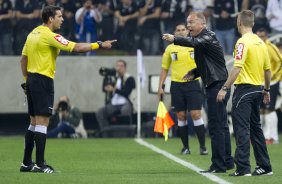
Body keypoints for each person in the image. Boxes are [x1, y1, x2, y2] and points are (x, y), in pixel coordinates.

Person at [19, 5, 116, 173]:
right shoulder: (49, 36)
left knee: (33, 122)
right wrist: (99, 44)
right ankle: (40, 164)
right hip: (43, 80)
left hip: (32, 80)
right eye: (59, 16)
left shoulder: (32, 33)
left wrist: (26, 80)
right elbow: (77, 48)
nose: (62, 19)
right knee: (43, 122)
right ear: (50, 19)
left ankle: (26, 163)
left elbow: (23, 60)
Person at [162, 12, 234, 173]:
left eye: (191, 22)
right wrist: (195, 72)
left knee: (216, 127)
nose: (188, 26)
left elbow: (193, 42)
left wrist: (175, 39)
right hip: (216, 83)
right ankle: (227, 162)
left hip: (216, 86)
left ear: (202, 24)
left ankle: (218, 165)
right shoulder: (205, 39)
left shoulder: (206, 37)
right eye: (187, 23)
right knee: (221, 126)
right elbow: (210, 63)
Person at [217, 10, 273, 176]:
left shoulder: (242, 42)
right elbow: (268, 71)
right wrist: (266, 90)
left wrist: (224, 88)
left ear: (239, 23)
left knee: (241, 129)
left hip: (244, 91)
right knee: (256, 130)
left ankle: (243, 168)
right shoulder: (261, 43)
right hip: (258, 89)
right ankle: (265, 166)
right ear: (253, 23)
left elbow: (237, 68)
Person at [158, 23, 208, 155]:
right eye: (178, 30)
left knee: (196, 114)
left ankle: (203, 146)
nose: (180, 32)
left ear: (188, 31)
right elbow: (164, 69)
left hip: (193, 84)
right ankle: (185, 147)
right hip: (176, 85)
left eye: (183, 30)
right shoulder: (170, 49)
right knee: (181, 116)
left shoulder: (195, 44)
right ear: (175, 32)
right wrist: (160, 87)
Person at [256, 28, 281, 144]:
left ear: (266, 37)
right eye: (258, 36)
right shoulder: (257, 47)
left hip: (272, 82)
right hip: (261, 82)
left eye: (262, 36)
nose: (260, 38)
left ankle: (273, 137)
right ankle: (264, 136)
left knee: (269, 110)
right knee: (261, 110)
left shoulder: (270, 47)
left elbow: (280, 61)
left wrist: (273, 75)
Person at [96, 60, 135, 131]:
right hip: (114, 103)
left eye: (121, 66)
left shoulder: (129, 78)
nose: (119, 68)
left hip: (125, 103)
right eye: (117, 66)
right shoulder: (114, 78)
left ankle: (125, 132)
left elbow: (126, 92)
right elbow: (104, 89)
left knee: (124, 112)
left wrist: (114, 90)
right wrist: (106, 76)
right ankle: (106, 131)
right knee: (100, 112)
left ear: (125, 68)